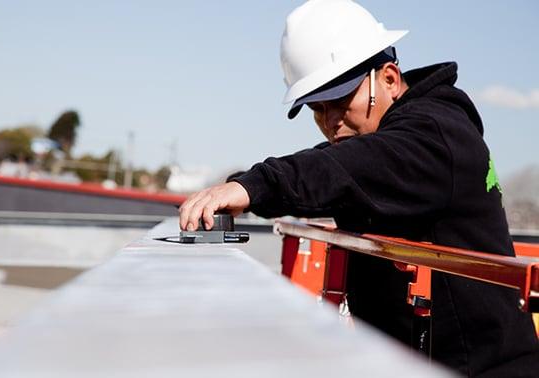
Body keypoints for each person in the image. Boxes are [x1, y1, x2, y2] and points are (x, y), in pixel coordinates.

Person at [179, 0, 539, 376]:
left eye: (340, 101)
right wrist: (248, 186)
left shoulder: (434, 135)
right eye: (317, 109)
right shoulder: (399, 138)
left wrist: (257, 185)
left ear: (388, 78)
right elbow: (335, 166)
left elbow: (347, 168)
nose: (330, 121)